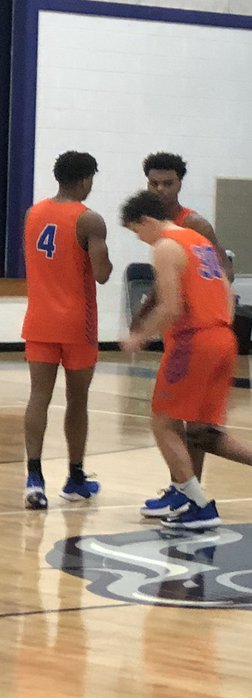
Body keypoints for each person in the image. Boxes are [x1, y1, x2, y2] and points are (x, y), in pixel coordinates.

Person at [118, 190, 252, 529]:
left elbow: (170, 307)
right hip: (224, 338)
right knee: (202, 432)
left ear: (146, 221)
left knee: (163, 422)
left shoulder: (165, 247)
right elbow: (227, 294)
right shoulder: (198, 242)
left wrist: (140, 335)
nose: (139, 239)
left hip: (194, 341)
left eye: (135, 231)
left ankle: (199, 505)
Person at [21, 151, 112, 509]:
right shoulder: (90, 220)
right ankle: (75, 477)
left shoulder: (32, 213)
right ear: (87, 179)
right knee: (78, 400)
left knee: (38, 397)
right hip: (78, 324)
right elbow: (102, 274)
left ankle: (33, 478)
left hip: (39, 320)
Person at [143, 152, 230, 278]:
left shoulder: (195, 224)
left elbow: (225, 271)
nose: (160, 189)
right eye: (154, 183)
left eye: (167, 183)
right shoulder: (153, 222)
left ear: (179, 185)